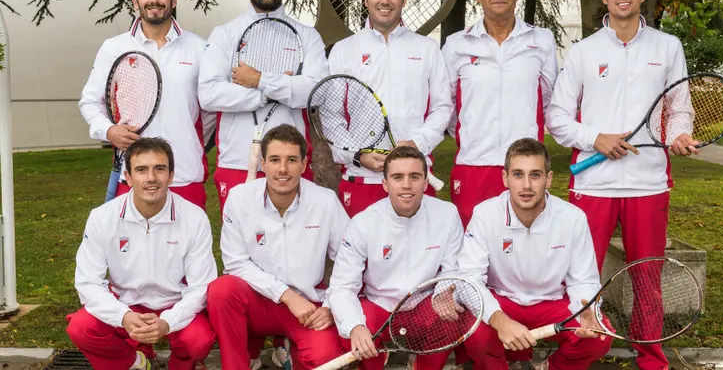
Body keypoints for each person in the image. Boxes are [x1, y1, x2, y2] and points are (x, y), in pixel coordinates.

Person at [545, 0, 696, 370]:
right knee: (580, 275)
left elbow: (679, 108)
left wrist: (679, 134)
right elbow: (556, 117)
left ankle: (651, 358)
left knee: (647, 279)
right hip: (592, 185)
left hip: (648, 184)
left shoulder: (668, 47)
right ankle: (576, 353)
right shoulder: (582, 51)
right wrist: (596, 138)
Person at [458, 138, 611, 370]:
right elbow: (468, 279)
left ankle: (552, 367)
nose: (527, 185)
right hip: (504, 300)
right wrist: (499, 320)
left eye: (535, 175)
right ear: (505, 178)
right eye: (518, 174)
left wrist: (587, 310)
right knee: (475, 333)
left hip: (551, 302)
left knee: (599, 336)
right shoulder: (485, 214)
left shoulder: (573, 217)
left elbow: (584, 279)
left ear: (548, 179)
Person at [198, 0, 328, 213]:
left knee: (293, 247)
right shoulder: (225, 34)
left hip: (290, 163)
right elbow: (209, 94)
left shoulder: (307, 36)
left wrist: (259, 80)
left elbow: (318, 92)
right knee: (240, 251)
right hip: (236, 162)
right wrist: (277, 90)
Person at [66, 138, 218, 370]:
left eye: (159, 168)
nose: (151, 178)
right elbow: (87, 283)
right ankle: (135, 363)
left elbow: (202, 286)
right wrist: (123, 316)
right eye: (141, 170)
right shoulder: (102, 217)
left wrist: (167, 322)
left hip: (172, 302)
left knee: (198, 341)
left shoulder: (194, 217)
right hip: (125, 303)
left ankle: (180, 364)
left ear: (171, 175)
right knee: (81, 327)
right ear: (128, 177)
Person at [206, 124, 348, 370]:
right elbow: (235, 263)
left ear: (304, 164)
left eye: (292, 160)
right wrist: (286, 295)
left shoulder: (325, 201)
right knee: (222, 290)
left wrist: (329, 306)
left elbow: (350, 260)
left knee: (325, 359)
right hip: (257, 302)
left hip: (307, 306)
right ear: (263, 163)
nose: (283, 169)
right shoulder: (239, 198)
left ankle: (292, 351)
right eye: (275, 159)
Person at [79, 0, 212, 210]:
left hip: (185, 175)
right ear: (135, 0)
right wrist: (108, 131)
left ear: (173, 0)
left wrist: (188, 142)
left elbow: (211, 111)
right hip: (132, 176)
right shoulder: (114, 47)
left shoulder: (200, 48)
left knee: (186, 248)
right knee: (131, 248)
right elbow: (89, 101)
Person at [327, 0, 452, 218]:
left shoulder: (426, 48)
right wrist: (359, 156)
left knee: (420, 257)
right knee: (359, 258)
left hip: (413, 179)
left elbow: (442, 108)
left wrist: (416, 144)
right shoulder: (344, 50)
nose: (385, 0)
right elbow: (332, 116)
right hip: (362, 179)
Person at [441, 0, 558, 228]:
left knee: (525, 251)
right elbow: (445, 105)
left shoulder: (541, 41)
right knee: (472, 254)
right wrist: (471, 131)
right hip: (473, 165)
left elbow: (549, 99)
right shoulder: (456, 45)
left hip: (526, 168)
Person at [326, 146, 464, 370]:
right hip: (379, 304)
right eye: (398, 177)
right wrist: (355, 327)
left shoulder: (447, 214)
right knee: (351, 332)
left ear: (426, 182)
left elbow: (453, 269)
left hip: (422, 302)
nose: (407, 185)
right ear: (385, 184)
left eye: (415, 176)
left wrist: (443, 293)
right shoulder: (363, 223)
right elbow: (342, 285)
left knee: (448, 320)